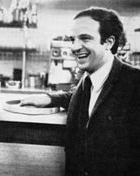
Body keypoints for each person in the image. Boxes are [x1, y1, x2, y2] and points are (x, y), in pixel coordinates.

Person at [21, 7, 140, 176]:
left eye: (85, 38)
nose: (74, 47)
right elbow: (95, 99)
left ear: (109, 42)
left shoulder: (135, 83)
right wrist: (50, 98)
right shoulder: (86, 82)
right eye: (72, 39)